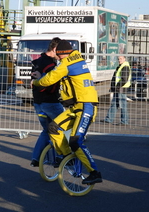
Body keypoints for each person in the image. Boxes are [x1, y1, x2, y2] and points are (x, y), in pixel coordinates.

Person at [32, 40, 102, 184]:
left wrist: (37, 82)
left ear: (62, 53)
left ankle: (94, 173)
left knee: (76, 140)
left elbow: (50, 79)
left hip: (86, 106)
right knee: (53, 128)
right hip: (76, 107)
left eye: (58, 54)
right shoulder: (75, 58)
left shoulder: (67, 63)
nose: (56, 56)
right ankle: (67, 157)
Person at [30, 37, 64, 167]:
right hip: (51, 102)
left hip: (38, 102)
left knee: (46, 130)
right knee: (62, 127)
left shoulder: (37, 62)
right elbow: (51, 86)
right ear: (55, 49)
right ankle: (61, 157)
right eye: (60, 51)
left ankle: (36, 158)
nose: (61, 55)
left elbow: (33, 82)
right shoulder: (51, 65)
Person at [101, 56, 131, 125]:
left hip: (121, 89)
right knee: (114, 104)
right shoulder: (120, 66)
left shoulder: (125, 67)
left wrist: (117, 86)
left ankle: (124, 121)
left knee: (122, 105)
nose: (119, 60)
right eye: (118, 59)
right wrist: (113, 87)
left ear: (124, 59)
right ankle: (109, 119)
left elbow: (124, 79)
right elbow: (116, 78)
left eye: (121, 59)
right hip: (118, 89)